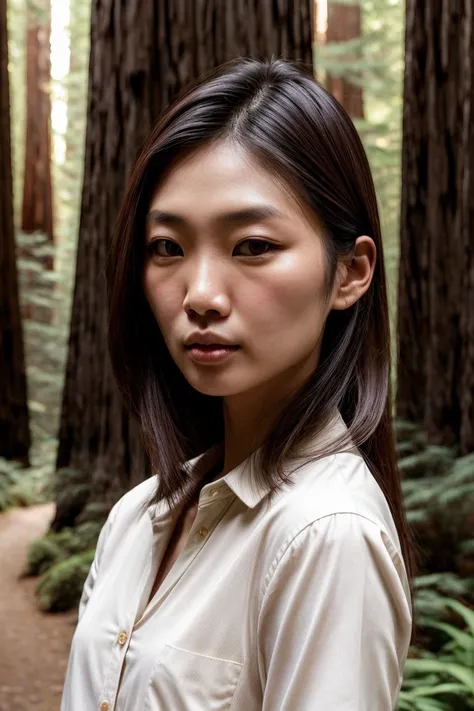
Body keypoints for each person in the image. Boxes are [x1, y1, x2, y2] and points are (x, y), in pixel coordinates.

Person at [60, 56, 416, 711]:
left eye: (251, 246)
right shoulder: (137, 516)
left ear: (350, 272)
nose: (199, 294)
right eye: (167, 247)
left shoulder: (326, 534)